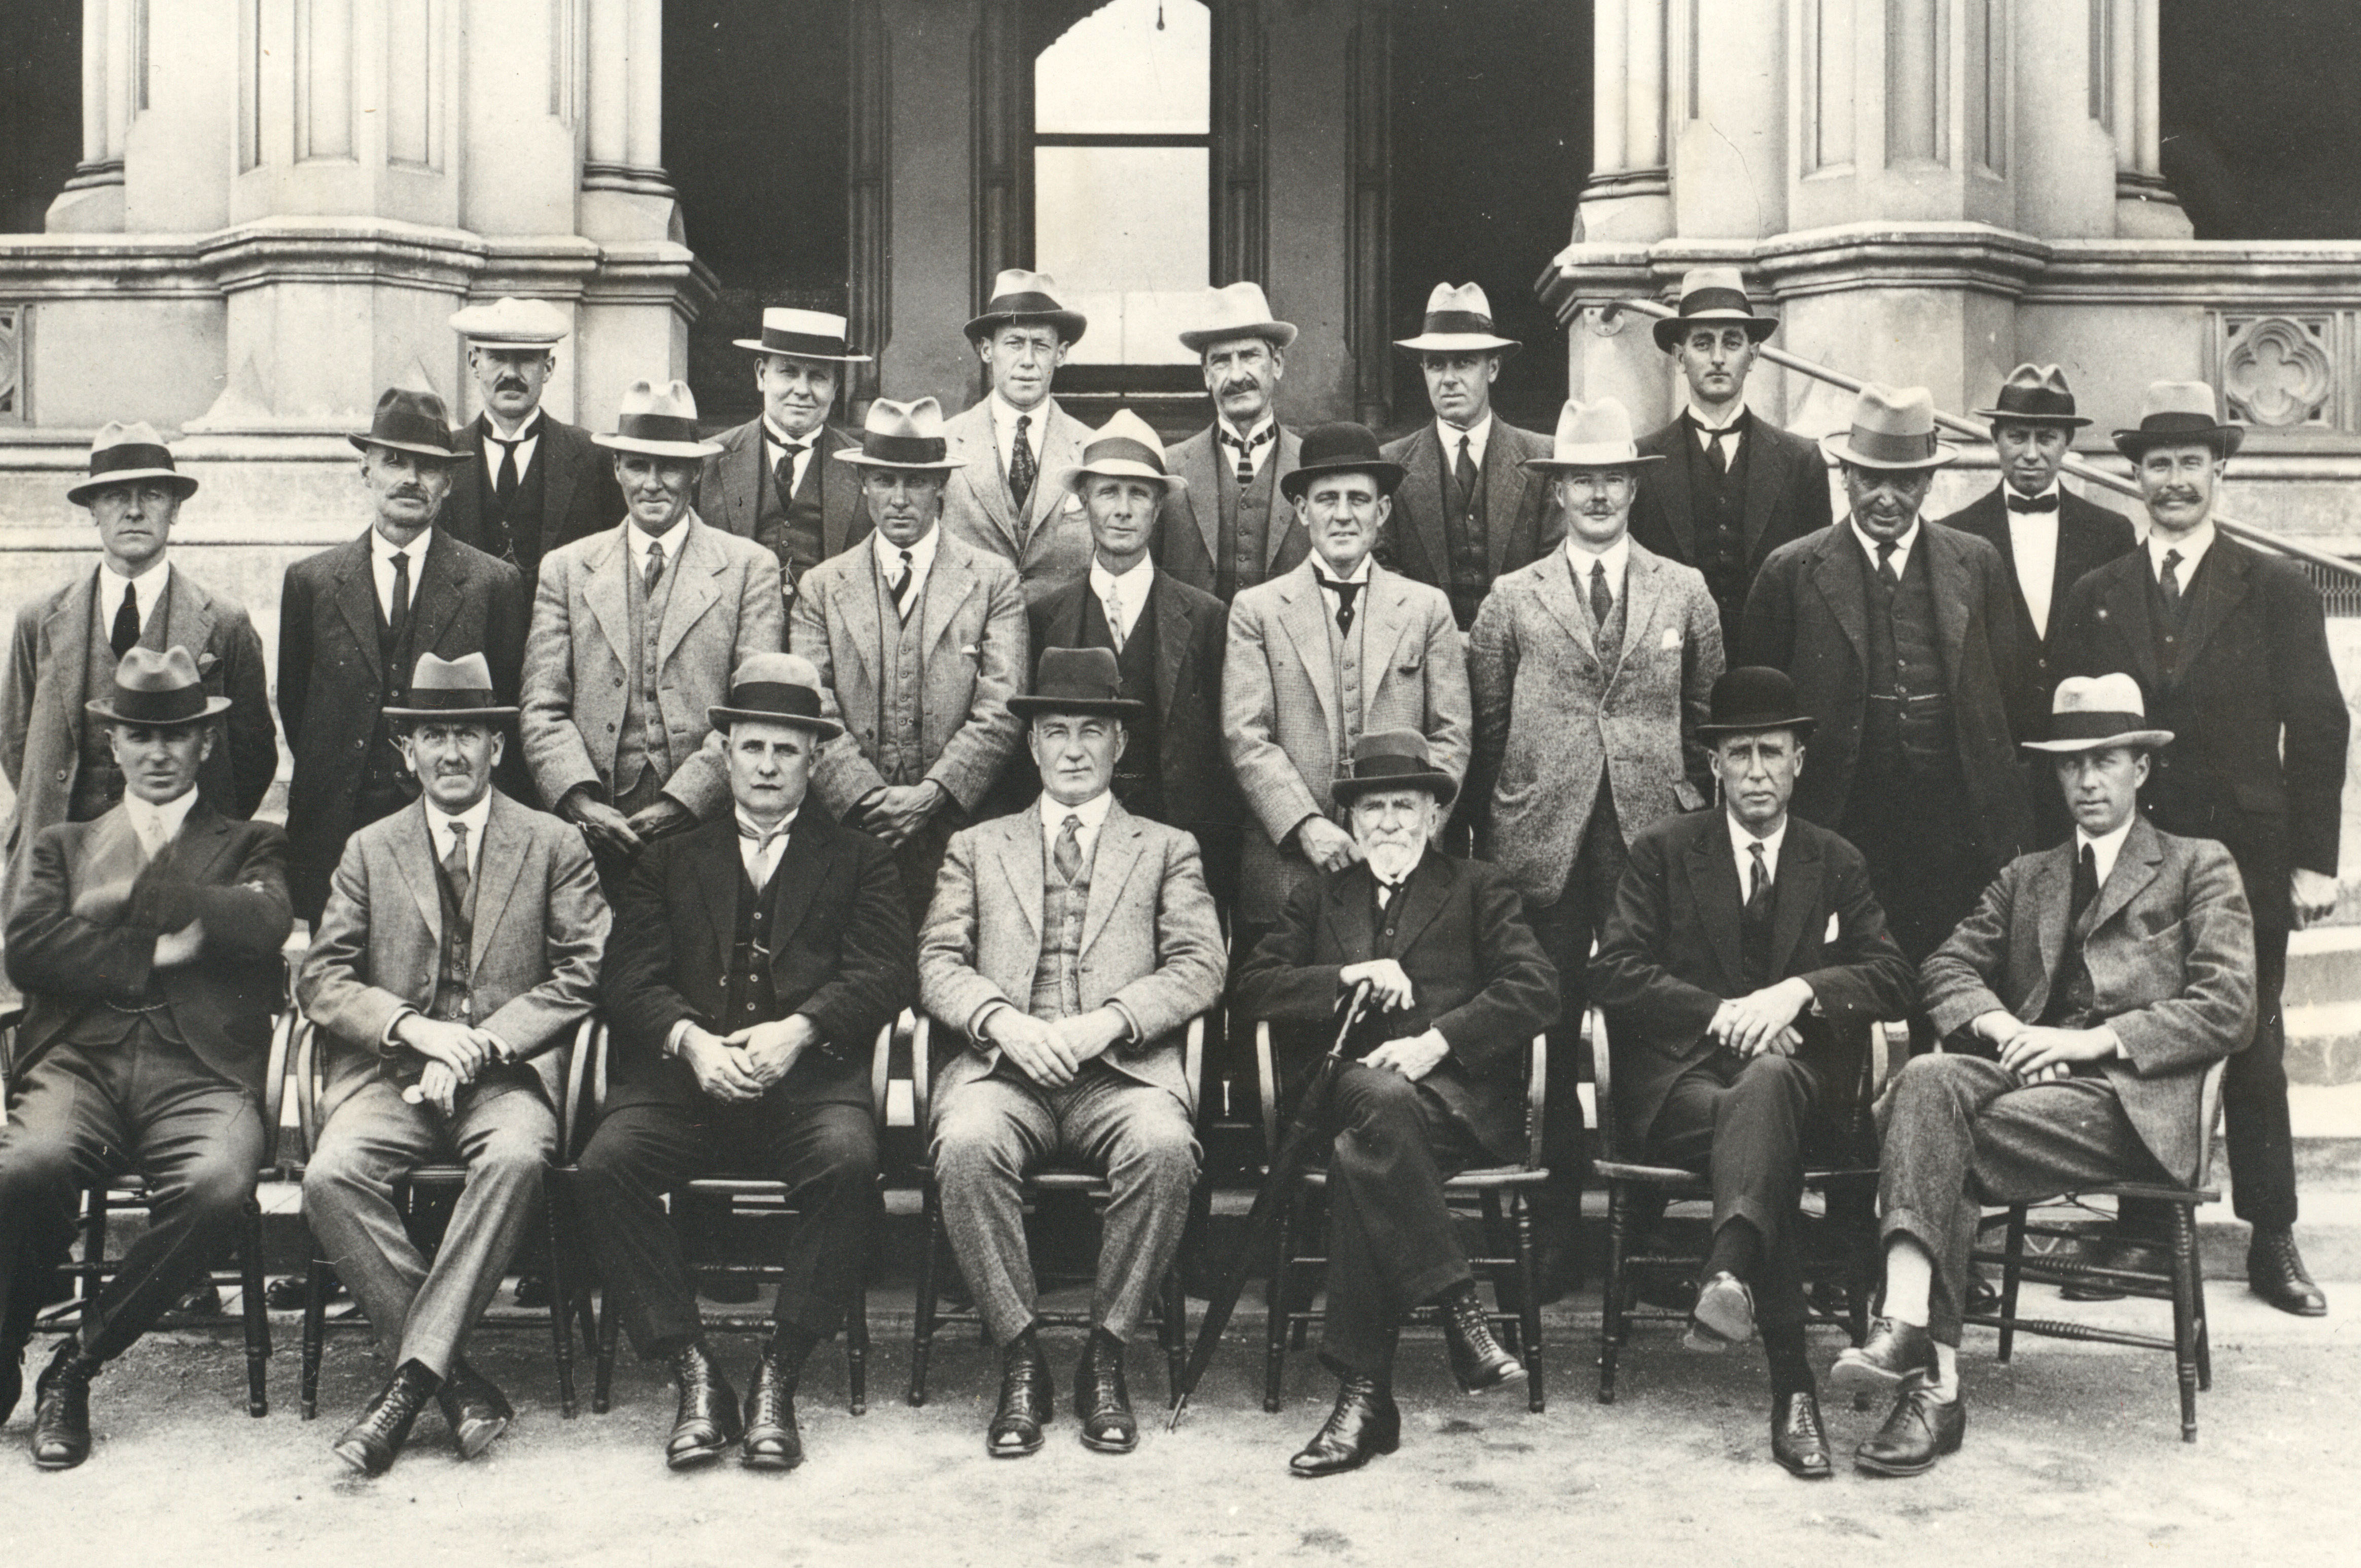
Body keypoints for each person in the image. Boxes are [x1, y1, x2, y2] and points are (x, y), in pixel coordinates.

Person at [1831, 674, 2255, 1477]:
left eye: (2105, 760)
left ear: (2142, 767)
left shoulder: (2199, 866)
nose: (2087, 781)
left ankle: (1924, 1366)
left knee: (1933, 1134)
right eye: (2070, 766)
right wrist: (2008, 1028)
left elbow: (2231, 1004)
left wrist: (2094, 1045)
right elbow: (1945, 965)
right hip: (2024, 1089)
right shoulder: (2030, 876)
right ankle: (1929, 1357)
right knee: (1929, 1081)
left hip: (2129, 1102)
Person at [578, 653, 913, 1472]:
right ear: (723, 755)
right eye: (752, 747)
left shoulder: (859, 858)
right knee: (604, 1166)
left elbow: (884, 973)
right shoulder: (667, 858)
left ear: (814, 759)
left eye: (787, 750)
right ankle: (693, 1369)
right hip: (687, 1088)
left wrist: (799, 1029)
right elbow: (626, 977)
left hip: (806, 1089)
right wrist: (691, 1042)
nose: (767, 766)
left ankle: (779, 1367)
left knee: (848, 1159)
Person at [2058, 381, 2348, 1317]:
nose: (2173, 481)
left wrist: (2313, 861)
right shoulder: (2098, 593)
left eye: (2190, 463)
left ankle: (2272, 1236)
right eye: (2157, 465)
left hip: (2244, 857)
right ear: (2132, 475)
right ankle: (2144, 1226)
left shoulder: (2274, 588)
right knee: (2139, 1032)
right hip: (2134, 857)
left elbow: (2319, 723)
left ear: (2219, 468)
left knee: (2250, 1040)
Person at [1588, 667, 1915, 1479]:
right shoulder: (1664, 852)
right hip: (1683, 1089)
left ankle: (1731, 1268)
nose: (1758, 771)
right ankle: (1791, 1389)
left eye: (1773, 752)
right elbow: (1614, 971)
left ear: (1800, 761)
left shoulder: (1834, 860)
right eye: (1741, 754)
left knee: (1767, 1088)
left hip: (1804, 1095)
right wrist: (1718, 1013)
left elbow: (1892, 975)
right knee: (1756, 1104)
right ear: (1716, 766)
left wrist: (1797, 991)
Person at [295, 653, 607, 1476]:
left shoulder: (554, 843)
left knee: (515, 1154)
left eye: (467, 731)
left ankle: (406, 1387)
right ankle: (453, 1381)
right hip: (392, 1073)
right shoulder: (370, 849)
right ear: (408, 752)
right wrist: (413, 1027)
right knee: (331, 1172)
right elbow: (321, 976)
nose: (452, 752)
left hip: (503, 1077)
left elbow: (582, 971)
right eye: (434, 734)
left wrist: (482, 1039)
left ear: (497, 746)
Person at [918, 647, 1225, 1458]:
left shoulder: (1166, 846)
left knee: (1165, 1149)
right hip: (1005, 1068)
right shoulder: (978, 845)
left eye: (1093, 730)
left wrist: (1111, 1022)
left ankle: (1107, 1353)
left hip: (1118, 1072)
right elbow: (938, 962)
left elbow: (1201, 964)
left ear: (1121, 745)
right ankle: (1020, 1355)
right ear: (1031, 744)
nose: (1075, 748)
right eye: (1056, 730)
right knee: (967, 1144)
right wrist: (1002, 1022)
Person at [1233, 730, 1556, 1478]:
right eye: (1371, 808)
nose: (1385, 823)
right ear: (1350, 823)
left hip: (1454, 1108)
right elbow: (1251, 988)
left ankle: (1366, 1397)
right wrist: (1346, 977)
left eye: (1402, 807)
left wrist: (1437, 1043)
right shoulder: (1319, 895)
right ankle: (1457, 1311)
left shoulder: (1479, 886)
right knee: (1371, 1107)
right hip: (1345, 1098)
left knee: (1365, 1150)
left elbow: (1539, 988)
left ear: (1434, 816)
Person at [0, 647, 293, 1469]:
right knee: (27, 1160)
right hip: (79, 1064)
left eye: (177, 735)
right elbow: (28, 948)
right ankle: (6, 1341)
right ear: (114, 744)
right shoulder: (64, 844)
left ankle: (77, 1364)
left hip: (200, 1074)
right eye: (140, 734)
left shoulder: (252, 841)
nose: (158, 752)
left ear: (206, 743)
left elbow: (264, 922)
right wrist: (151, 955)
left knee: (216, 1185)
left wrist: (135, 899)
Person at [1468, 395, 1722, 1285]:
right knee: (1542, 1021)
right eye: (1583, 479)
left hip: (1653, 839)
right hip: (1541, 839)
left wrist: (1691, 817)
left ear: (1633, 488)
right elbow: (1489, 724)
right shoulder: (1513, 597)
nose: (1599, 494)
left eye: (1613, 477)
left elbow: (1705, 719)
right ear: (1557, 491)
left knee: (1648, 1022)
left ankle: (1640, 1222)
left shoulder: (1682, 590)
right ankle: (1549, 1230)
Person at [1741, 383, 2030, 969]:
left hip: (1953, 826)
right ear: (1844, 476)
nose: (1887, 499)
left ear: (1929, 482)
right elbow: (1759, 712)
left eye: (1905, 482)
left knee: (1951, 973)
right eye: (1871, 479)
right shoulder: (1790, 571)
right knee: (1843, 975)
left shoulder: (1977, 564)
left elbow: (2011, 695)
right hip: (1839, 820)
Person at [521, 379, 786, 891]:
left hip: (706, 822)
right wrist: (581, 803)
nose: (653, 483)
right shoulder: (568, 569)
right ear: (616, 469)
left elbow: (752, 707)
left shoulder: (748, 569)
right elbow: (542, 705)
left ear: (696, 471)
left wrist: (685, 802)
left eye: (669, 467)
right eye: (638, 465)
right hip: (593, 828)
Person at [3, 423, 275, 919]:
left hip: (181, 872)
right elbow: (18, 746)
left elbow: (254, 756)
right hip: (60, 873)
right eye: (114, 495)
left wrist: (202, 842)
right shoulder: (39, 621)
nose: (133, 510)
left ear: (175, 508)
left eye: (151, 494)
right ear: (92, 510)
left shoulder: (224, 623)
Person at [280, 387, 530, 923]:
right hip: (335, 829)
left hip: (446, 825)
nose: (410, 479)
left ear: (449, 482)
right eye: (394, 461)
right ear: (366, 471)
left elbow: (506, 708)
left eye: (428, 466)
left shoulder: (493, 584)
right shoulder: (312, 582)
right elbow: (299, 710)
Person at [1225, 422, 1472, 945]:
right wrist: (1305, 825)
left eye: (1359, 499)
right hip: (1289, 867)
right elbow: (1247, 737)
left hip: (1404, 866)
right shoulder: (1258, 611)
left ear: (1382, 512)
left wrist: (1411, 833)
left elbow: (1452, 736)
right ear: (1301, 510)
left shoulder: (1426, 609)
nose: (1343, 515)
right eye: (1327, 499)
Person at [792, 396, 1027, 939]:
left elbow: (1003, 707)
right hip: (851, 830)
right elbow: (813, 704)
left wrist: (932, 794)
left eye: (916, 483)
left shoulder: (993, 581)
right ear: (864, 485)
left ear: (941, 487)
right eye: (884, 480)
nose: (899, 500)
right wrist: (867, 798)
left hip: (958, 828)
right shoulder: (823, 588)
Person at [1027, 409, 1240, 914]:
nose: (1123, 510)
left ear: (1160, 504)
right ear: (1083, 501)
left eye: (1138, 494)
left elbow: (1224, 751)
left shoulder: (1208, 618)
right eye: (1108, 492)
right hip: (1075, 847)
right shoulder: (1045, 617)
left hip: (1179, 846)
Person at [1933, 363, 2136, 845]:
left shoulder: (2111, 533)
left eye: (2046, 438)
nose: (2030, 453)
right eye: (2017, 436)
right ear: (1994, 438)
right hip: (1992, 771)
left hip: (2085, 765)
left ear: (2067, 442)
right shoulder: (1953, 534)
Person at [1629, 267, 1834, 651]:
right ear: (1679, 356)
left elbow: (1817, 584)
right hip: (1671, 668)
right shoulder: (1642, 460)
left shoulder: (1800, 460)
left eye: (1733, 343)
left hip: (1771, 671)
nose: (1719, 358)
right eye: (1703, 343)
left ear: (1753, 355)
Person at [1378, 282, 1558, 631]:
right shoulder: (1391, 465)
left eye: (1463, 363)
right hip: (1427, 662)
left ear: (1492, 368)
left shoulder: (1543, 459)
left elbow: (1556, 569)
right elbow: (1383, 574)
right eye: (1436, 364)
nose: (1448, 379)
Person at [436, 297, 625, 580]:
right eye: (497, 358)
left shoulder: (592, 455)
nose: (511, 374)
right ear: (474, 363)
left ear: (548, 368)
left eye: (526, 358)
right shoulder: (443, 454)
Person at [940, 270, 1095, 605]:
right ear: (986, 350)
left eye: (1041, 345)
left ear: (1061, 354)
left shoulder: (1092, 448)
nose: (1028, 361)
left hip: (1062, 642)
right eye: (1014, 343)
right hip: (970, 636)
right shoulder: (946, 442)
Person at [699, 308, 875, 594]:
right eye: (789, 372)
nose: (802, 390)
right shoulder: (709, 459)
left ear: (836, 387)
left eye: (818, 377)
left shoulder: (866, 467)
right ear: (762, 374)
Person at [1156, 282, 1309, 600]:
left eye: (1250, 356)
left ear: (1277, 363)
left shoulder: (1310, 464)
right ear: (1206, 375)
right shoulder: (1168, 468)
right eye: (1222, 361)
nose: (1237, 376)